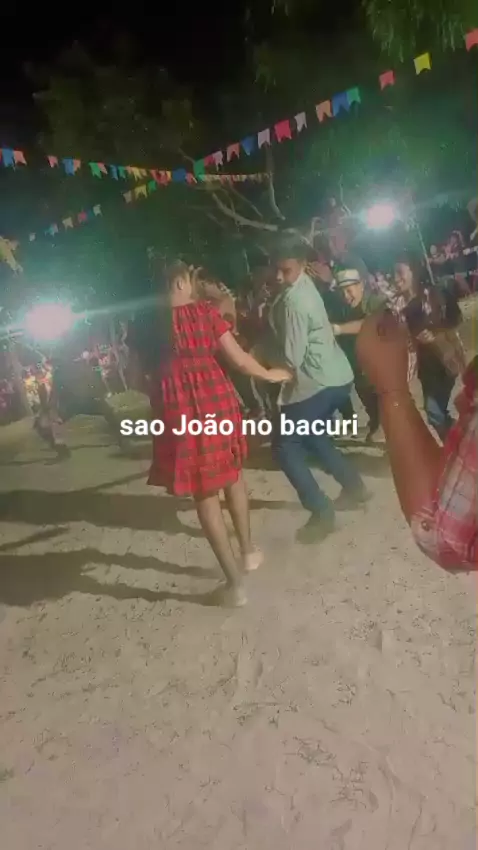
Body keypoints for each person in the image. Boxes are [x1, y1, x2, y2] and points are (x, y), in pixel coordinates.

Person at [126, 260, 291, 607]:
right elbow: (239, 360)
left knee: (204, 495)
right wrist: (269, 374)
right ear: (180, 282)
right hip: (216, 401)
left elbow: (136, 379)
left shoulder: (144, 327)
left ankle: (235, 585)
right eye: (189, 279)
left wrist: (167, 389)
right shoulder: (204, 313)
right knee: (233, 476)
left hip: (177, 413)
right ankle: (248, 552)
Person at [267, 240, 370, 544]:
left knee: (285, 447)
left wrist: (262, 362)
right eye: (275, 270)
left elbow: (292, 358)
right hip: (337, 377)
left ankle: (321, 512)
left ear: (300, 264)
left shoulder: (294, 302)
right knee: (315, 437)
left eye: (285, 270)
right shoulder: (302, 286)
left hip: (316, 383)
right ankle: (354, 487)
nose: (279, 276)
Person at [357, 311, 477, 571]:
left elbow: (446, 538)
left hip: (438, 372)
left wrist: (392, 390)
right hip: (432, 373)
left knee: (435, 412)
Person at [394, 258, 466, 440]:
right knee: (436, 412)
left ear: (414, 272)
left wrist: (436, 332)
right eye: (393, 274)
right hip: (426, 367)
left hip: (447, 359)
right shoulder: (399, 306)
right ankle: (459, 443)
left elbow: (456, 318)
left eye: (400, 273)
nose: (395, 279)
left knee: (434, 411)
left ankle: (460, 442)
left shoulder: (436, 293)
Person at [34, 348, 125, 459]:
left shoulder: (61, 372)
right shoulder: (76, 368)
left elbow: (55, 394)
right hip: (81, 402)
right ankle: (123, 441)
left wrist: (48, 410)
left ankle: (62, 450)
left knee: (43, 425)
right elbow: (94, 382)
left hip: (76, 403)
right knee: (110, 413)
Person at [331, 268, 385, 441]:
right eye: (341, 292)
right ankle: (376, 422)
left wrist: (338, 329)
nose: (345, 296)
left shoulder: (376, 301)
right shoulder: (341, 308)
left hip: (380, 362)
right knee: (365, 395)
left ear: (361, 285)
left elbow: (370, 323)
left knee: (383, 398)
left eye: (349, 290)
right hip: (357, 364)